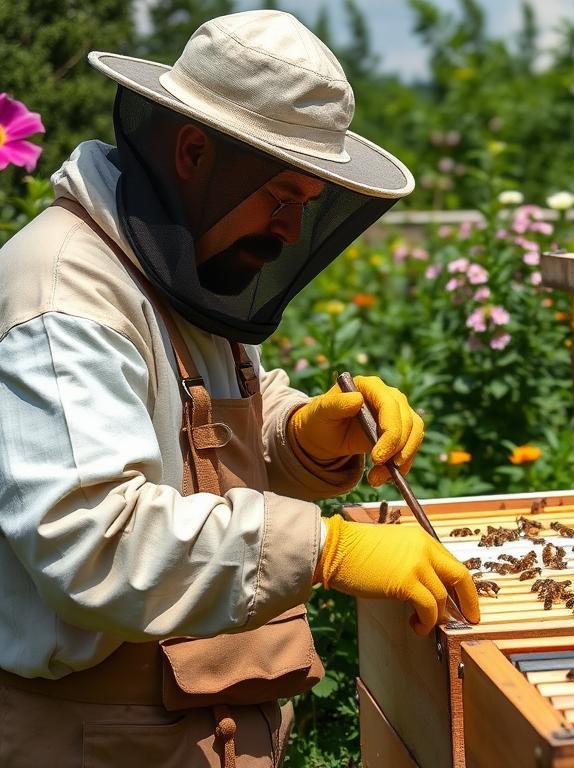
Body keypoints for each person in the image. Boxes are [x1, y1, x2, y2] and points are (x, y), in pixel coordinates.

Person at [0, 10, 479, 767]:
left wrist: (303, 432)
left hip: (191, 720)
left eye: (306, 204)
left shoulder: (170, 261)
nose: (290, 230)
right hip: (97, 739)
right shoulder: (65, 295)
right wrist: (326, 548)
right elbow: (93, 540)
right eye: (281, 196)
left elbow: (201, 429)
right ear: (194, 152)